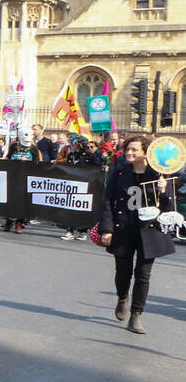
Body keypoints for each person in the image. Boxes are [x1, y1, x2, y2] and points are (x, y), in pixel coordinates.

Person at [99, 136, 176, 335]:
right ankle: (123, 297)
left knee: (143, 275)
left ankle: (136, 315)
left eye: (134, 150)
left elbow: (168, 208)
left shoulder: (160, 174)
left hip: (150, 231)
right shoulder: (120, 170)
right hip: (123, 228)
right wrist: (107, 229)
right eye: (127, 149)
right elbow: (108, 200)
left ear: (145, 152)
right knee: (122, 272)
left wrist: (164, 191)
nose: (129, 153)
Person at [58, 135, 100, 239]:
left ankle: (83, 231)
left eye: (73, 142)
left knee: (83, 208)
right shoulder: (71, 155)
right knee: (70, 207)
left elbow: (96, 169)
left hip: (85, 185)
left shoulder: (90, 156)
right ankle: (70, 230)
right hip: (72, 185)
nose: (71, 145)